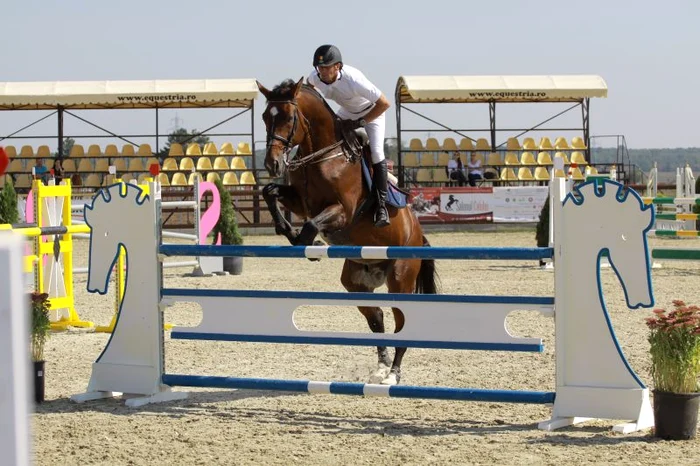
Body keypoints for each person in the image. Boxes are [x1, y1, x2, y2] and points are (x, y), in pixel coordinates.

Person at [307, 44, 392, 227]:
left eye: (326, 67)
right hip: (346, 112)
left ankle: (381, 207)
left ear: (337, 66)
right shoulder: (314, 78)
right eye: (319, 67)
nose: (322, 71)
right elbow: (309, 91)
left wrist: (362, 122)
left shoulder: (354, 80)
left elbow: (384, 103)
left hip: (372, 112)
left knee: (377, 152)